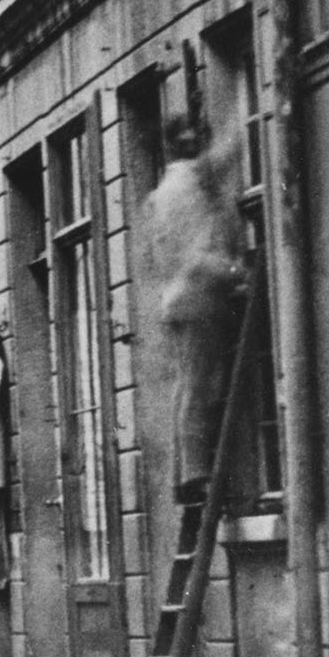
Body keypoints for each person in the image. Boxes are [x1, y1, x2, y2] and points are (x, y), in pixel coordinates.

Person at [141, 106, 247, 504]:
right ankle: (196, 474)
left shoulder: (163, 191)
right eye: (196, 135)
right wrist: (236, 270)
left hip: (178, 298)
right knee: (202, 384)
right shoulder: (192, 183)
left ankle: (186, 474)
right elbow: (197, 255)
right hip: (199, 295)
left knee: (190, 384)